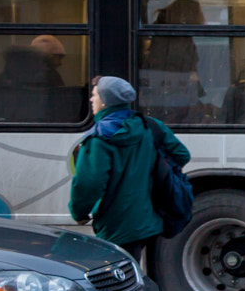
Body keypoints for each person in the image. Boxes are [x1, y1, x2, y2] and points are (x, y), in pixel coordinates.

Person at [68, 75, 189, 279]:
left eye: (94, 95)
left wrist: (79, 212)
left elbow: (89, 184)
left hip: (117, 223)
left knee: (121, 281)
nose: (91, 100)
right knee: (148, 277)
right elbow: (182, 155)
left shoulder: (98, 138)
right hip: (153, 216)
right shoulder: (151, 126)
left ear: (105, 101)